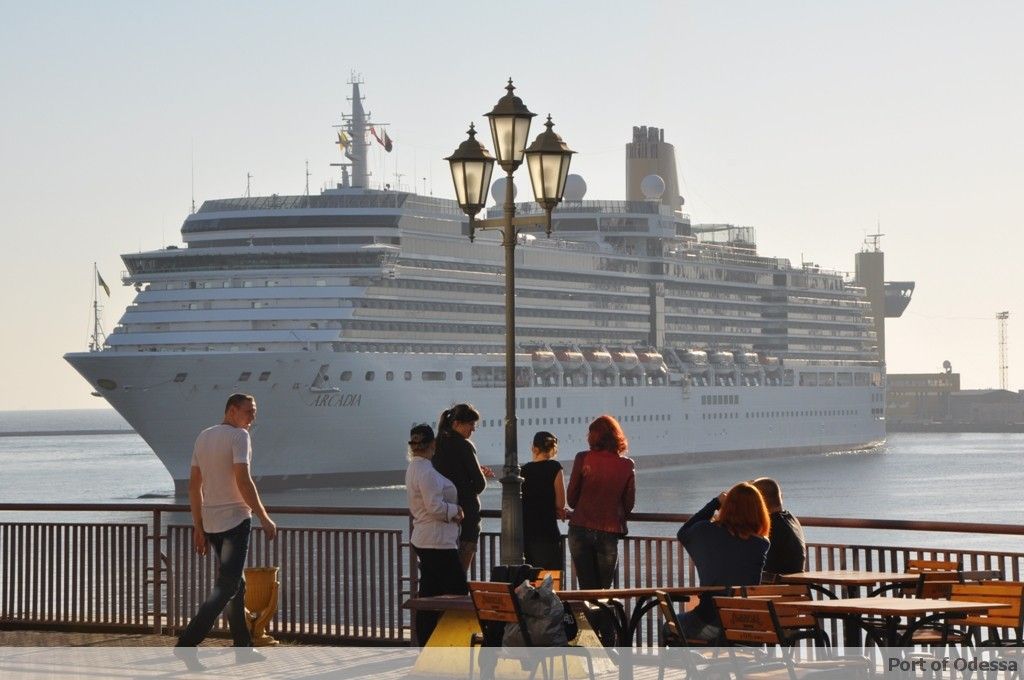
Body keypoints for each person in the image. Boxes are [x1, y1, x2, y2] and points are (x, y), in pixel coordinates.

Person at [175, 394, 277, 666]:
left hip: (211, 523)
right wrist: (265, 516)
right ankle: (187, 643)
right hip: (235, 521)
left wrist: (198, 527)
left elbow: (193, 487)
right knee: (227, 586)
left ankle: (243, 649)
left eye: (254, 412)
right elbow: (243, 481)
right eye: (249, 411)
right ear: (232, 411)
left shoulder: (203, 436)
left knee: (236, 586)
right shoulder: (239, 436)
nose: (253, 418)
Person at [675, 482, 771, 641]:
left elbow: (683, 533)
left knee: (669, 627)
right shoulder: (761, 544)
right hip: (745, 625)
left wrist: (715, 503)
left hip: (708, 622)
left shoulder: (705, 531)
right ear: (759, 512)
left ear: (727, 508)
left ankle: (690, 664)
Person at [406, 423, 466, 646]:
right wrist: (456, 511)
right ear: (433, 444)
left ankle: (427, 643)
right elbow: (435, 508)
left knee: (429, 595)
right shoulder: (427, 472)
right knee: (459, 594)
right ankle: (456, 643)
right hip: (437, 541)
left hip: (424, 538)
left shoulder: (414, 467)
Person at [565, 415, 635, 589]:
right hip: (608, 532)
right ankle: (604, 616)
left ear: (592, 436)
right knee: (603, 590)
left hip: (579, 529)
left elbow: (572, 501)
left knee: (586, 589)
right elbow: (629, 505)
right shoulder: (626, 465)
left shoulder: (582, 458)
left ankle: (587, 616)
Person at [432, 403, 493, 571]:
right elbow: (479, 484)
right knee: (459, 571)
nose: (473, 429)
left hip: (443, 514)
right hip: (466, 515)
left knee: (442, 570)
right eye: (471, 424)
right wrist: (472, 482)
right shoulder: (465, 445)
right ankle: (456, 593)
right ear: (457, 423)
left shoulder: (436, 444)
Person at [521, 431, 567, 570]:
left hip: (527, 535)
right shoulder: (555, 468)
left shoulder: (523, 470)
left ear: (534, 448)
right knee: (550, 581)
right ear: (553, 448)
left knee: (530, 580)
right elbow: (561, 503)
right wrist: (559, 510)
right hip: (548, 533)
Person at [752, 477, 806, 577]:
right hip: (795, 586)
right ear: (780, 496)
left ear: (758, 501)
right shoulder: (791, 519)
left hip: (773, 586)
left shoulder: (769, 526)